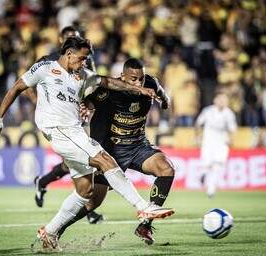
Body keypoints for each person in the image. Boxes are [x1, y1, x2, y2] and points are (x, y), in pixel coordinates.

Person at [0, 37, 174, 252]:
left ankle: (50, 231)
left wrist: (141, 90)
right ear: (69, 53)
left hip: (75, 132)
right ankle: (143, 207)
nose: (85, 62)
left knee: (84, 191)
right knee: (105, 159)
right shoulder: (45, 68)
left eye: (87, 59)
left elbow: (109, 81)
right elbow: (17, 87)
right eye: (82, 58)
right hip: (60, 130)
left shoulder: (82, 75)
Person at [37, 58, 176, 245]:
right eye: (133, 79)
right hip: (112, 150)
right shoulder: (109, 91)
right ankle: (56, 230)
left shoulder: (150, 83)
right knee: (92, 203)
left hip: (138, 146)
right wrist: (86, 107)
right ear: (122, 76)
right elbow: (90, 101)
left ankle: (145, 225)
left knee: (167, 169)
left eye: (141, 79)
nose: (138, 83)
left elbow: (160, 91)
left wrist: (165, 100)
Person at [31, 25, 103, 224]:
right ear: (61, 39)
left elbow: (93, 86)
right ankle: (88, 210)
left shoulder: (85, 60)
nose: (73, 39)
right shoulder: (49, 59)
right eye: (69, 37)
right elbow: (28, 83)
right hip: (56, 120)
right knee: (80, 160)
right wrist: (40, 102)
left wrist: (89, 106)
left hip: (77, 116)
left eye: (76, 37)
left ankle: (43, 181)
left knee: (76, 161)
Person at [195, 92, 237, 198]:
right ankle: (203, 175)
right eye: (220, 99)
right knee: (207, 166)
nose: (222, 102)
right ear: (215, 100)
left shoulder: (229, 114)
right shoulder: (208, 111)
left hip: (221, 143)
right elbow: (198, 124)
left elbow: (232, 129)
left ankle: (211, 189)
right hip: (208, 142)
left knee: (217, 166)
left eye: (225, 100)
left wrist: (231, 139)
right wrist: (197, 137)